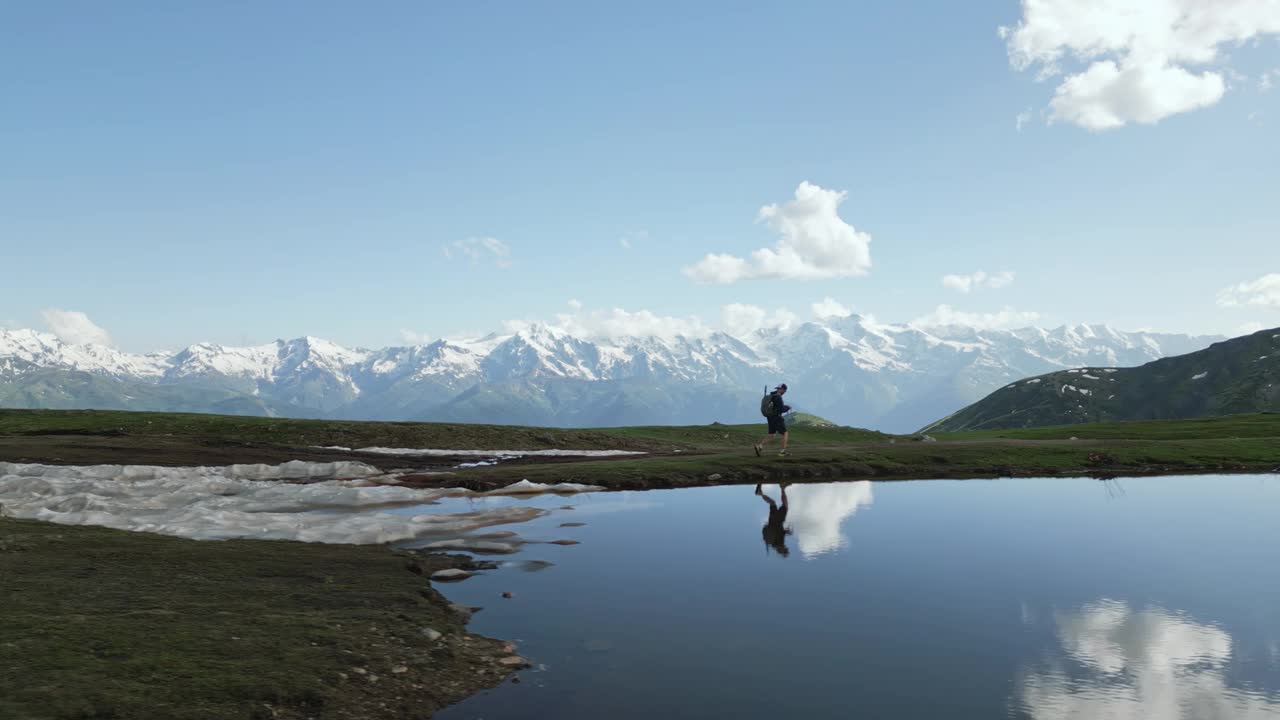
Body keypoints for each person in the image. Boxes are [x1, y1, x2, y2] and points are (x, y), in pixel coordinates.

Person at [754, 383, 791, 457]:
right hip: (776, 417)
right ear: (782, 389)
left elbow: (775, 407)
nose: (784, 392)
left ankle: (760, 446)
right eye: (784, 390)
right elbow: (780, 409)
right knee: (785, 433)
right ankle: (782, 452)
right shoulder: (778, 397)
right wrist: (787, 407)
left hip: (770, 417)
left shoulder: (772, 396)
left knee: (772, 435)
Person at [755, 482, 792, 557]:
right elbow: (780, 532)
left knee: (784, 505)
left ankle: (782, 487)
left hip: (777, 521)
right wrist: (786, 531)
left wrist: (786, 532)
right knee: (773, 503)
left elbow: (779, 533)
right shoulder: (775, 544)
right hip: (773, 521)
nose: (785, 548)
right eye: (786, 549)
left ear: (781, 550)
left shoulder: (778, 544)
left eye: (785, 550)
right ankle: (760, 493)